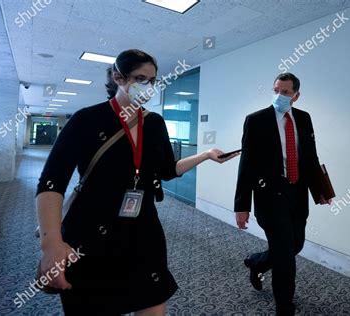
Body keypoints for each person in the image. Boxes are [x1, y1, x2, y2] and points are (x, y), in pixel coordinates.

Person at [36, 49, 239, 316]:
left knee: (152, 303)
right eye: (141, 79)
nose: (148, 87)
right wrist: (51, 244)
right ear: (119, 77)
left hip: (142, 230)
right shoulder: (86, 119)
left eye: (152, 80)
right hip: (91, 232)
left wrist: (205, 155)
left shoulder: (154, 123)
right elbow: (52, 181)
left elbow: (167, 170)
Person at [234, 73, 332, 315]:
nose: (280, 95)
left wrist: (319, 190)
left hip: (297, 192)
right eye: (276, 90)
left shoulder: (304, 118)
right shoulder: (256, 120)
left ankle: (256, 261)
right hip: (270, 195)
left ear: (296, 96)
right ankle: (284, 306)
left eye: (286, 92)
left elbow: (311, 158)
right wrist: (241, 205)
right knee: (285, 256)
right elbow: (246, 164)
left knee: (294, 245)